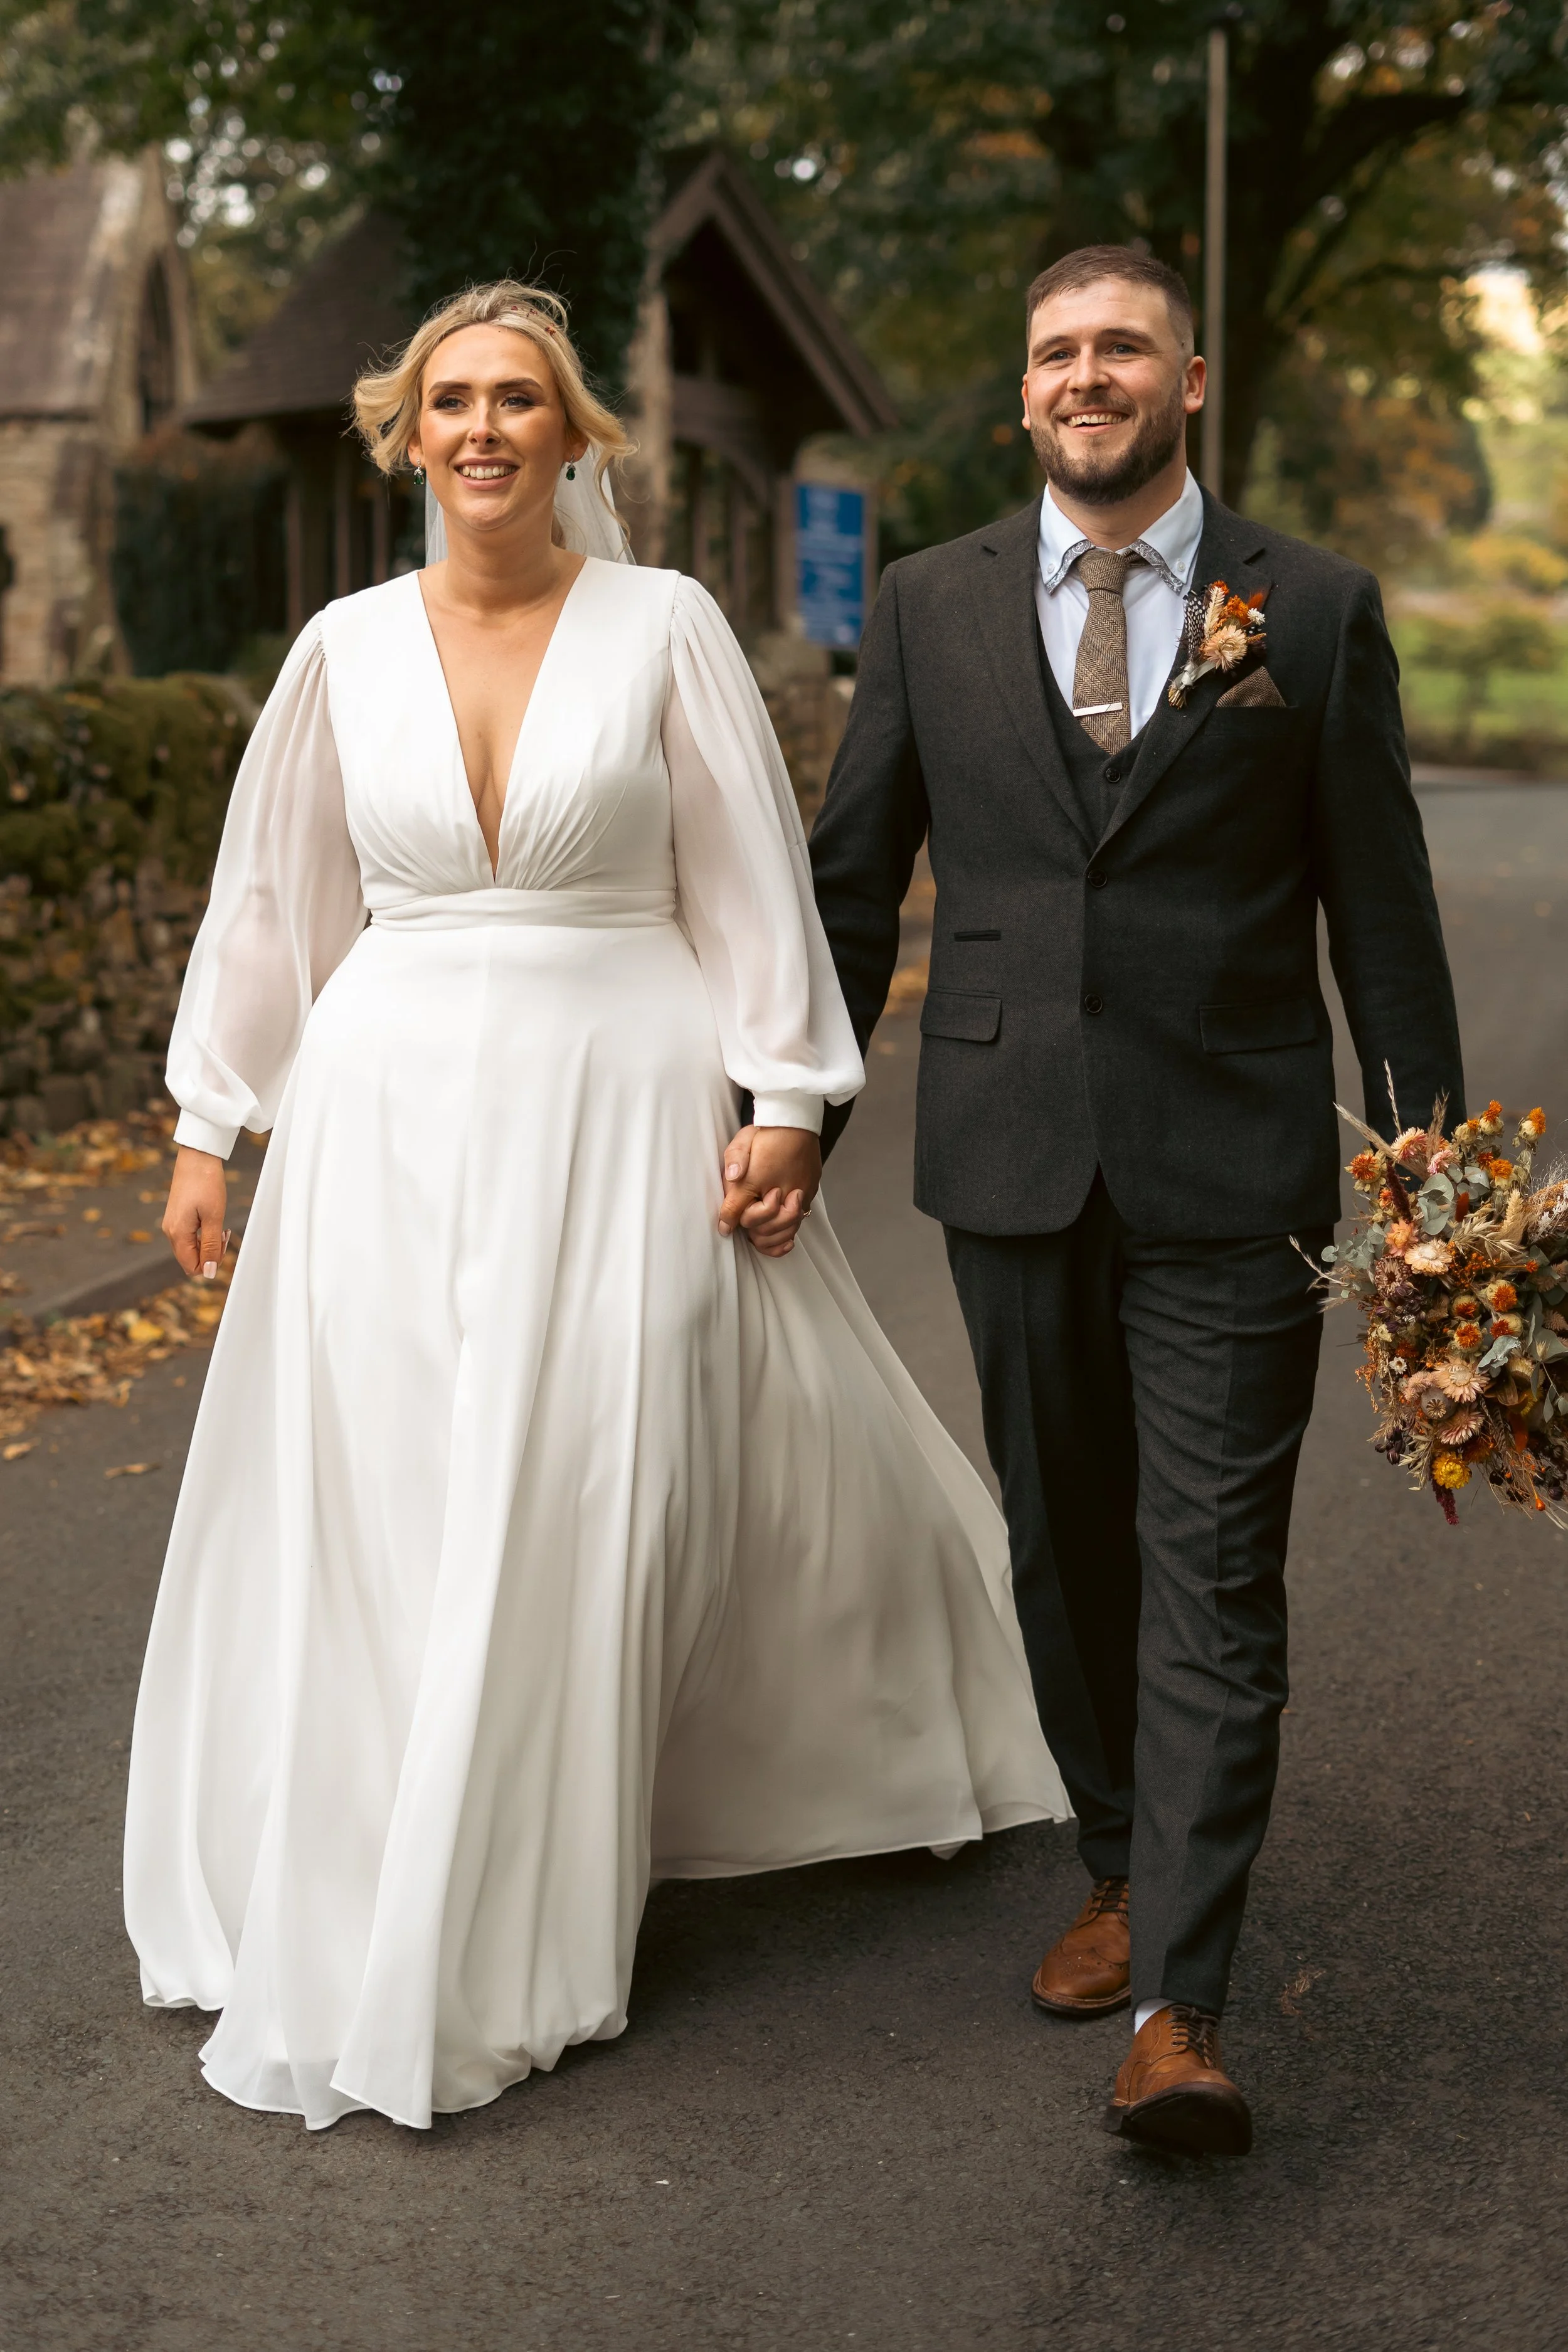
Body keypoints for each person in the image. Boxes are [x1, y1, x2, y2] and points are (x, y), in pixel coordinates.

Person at [123, 282, 1067, 2132]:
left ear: (574, 435)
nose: (483, 428)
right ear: (407, 435)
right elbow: (273, 901)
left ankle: (534, 1894)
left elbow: (745, 873)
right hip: (383, 1120)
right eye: (451, 401)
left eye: (519, 398)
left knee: (586, 1479)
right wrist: (207, 1126)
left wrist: (785, 1096)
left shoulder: (665, 624)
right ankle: (391, 1862)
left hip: (623, 1095)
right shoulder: (340, 649)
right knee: (401, 1488)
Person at [807, 244, 1464, 2156]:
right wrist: (786, 1113)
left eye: (1119, 347)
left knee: (1211, 1566)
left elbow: (1382, 909)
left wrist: (1429, 1177)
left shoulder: (1309, 609)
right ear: (1025, 392)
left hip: (1232, 1160)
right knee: (1064, 1546)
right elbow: (851, 879)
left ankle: (1181, 1999)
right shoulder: (929, 605)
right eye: (1053, 353)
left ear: (1187, 379)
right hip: (1007, 1147)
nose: (1082, 376)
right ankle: (1115, 1855)